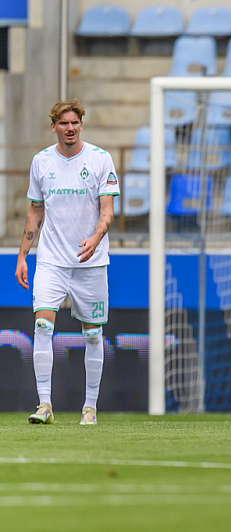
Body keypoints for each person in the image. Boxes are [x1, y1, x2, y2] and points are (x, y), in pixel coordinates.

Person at [15, 99, 119, 426]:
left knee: (92, 335)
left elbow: (108, 210)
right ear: (54, 127)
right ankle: (44, 405)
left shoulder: (101, 160)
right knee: (43, 325)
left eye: (75, 123)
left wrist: (96, 237)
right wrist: (22, 255)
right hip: (51, 260)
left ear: (81, 125)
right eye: (64, 124)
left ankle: (90, 408)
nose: (70, 128)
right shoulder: (41, 162)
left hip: (90, 261)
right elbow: (35, 211)